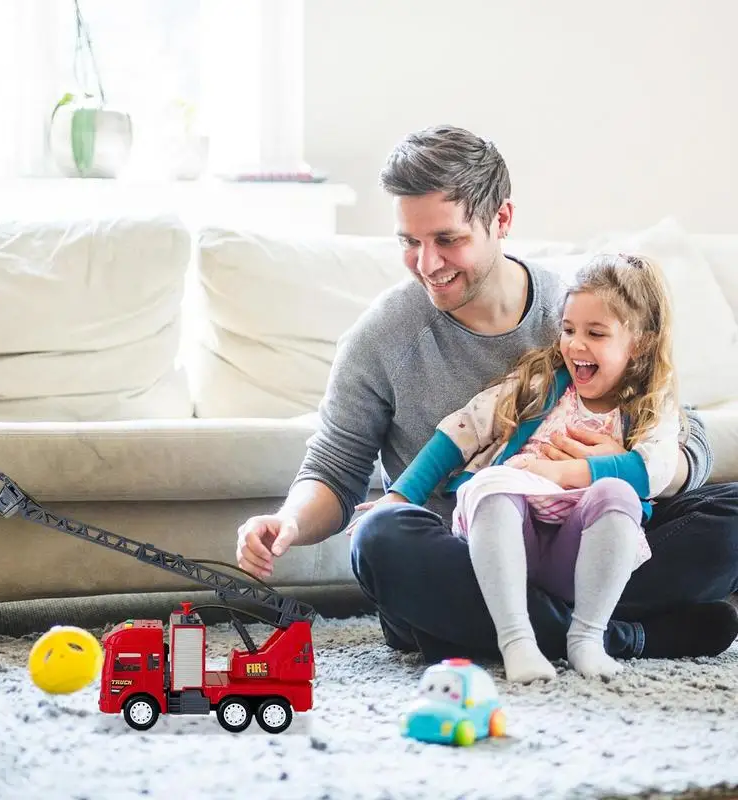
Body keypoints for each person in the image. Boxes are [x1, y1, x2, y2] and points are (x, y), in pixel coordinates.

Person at [235, 124, 738, 667]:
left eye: (448, 239)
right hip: (469, 554)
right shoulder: (382, 337)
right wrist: (288, 521)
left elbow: (682, 433)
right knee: (380, 539)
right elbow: (335, 468)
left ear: (501, 220)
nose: (428, 264)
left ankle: (522, 630)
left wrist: (611, 470)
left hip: (591, 534)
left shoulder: (576, 314)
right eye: (410, 242)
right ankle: (619, 636)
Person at [350, 253, 683, 682]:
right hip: (507, 541)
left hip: (582, 552)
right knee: (489, 486)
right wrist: (398, 497)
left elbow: (656, 468)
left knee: (622, 495)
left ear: (639, 342)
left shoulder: (652, 404)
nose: (575, 345)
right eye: (568, 330)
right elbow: (462, 431)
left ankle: (587, 637)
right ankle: (517, 640)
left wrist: (567, 474)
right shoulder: (542, 381)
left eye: (595, 334)